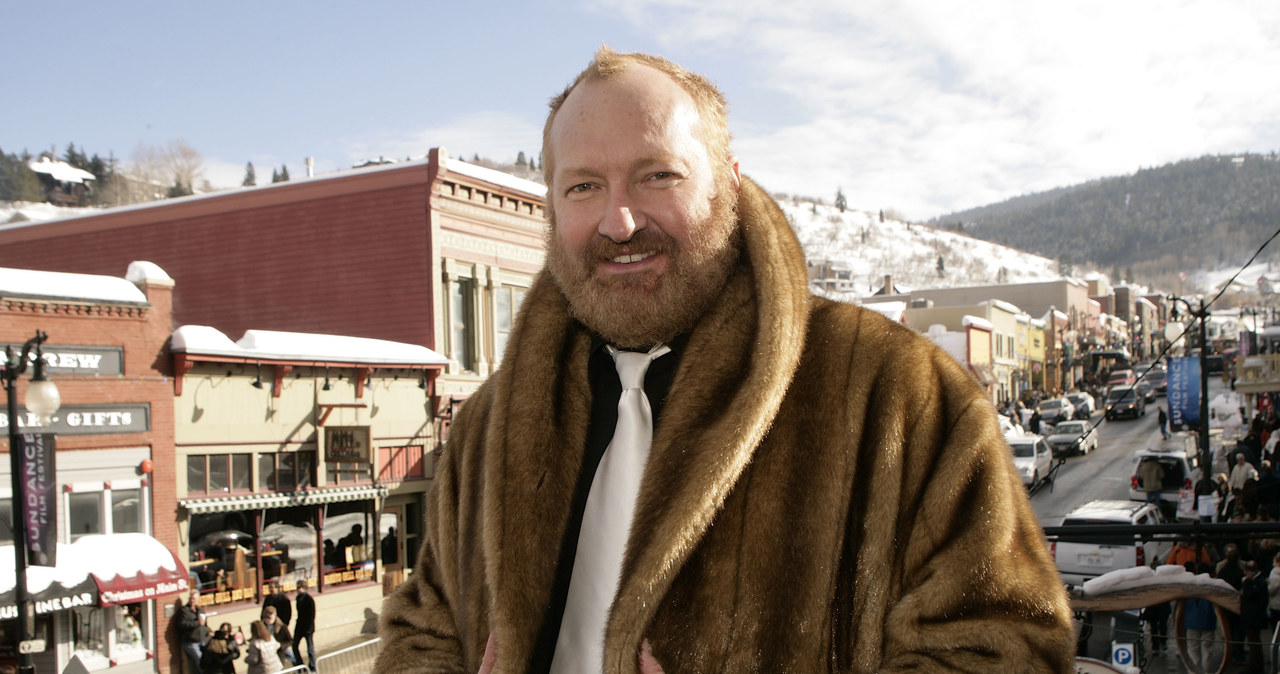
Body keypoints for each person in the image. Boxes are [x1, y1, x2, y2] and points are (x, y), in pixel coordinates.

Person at [375, 46, 1075, 672]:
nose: (619, 221)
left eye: (657, 175)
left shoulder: (897, 394)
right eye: (584, 186)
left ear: (730, 186)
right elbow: (422, 627)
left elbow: (1006, 647)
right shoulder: (490, 429)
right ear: (554, 210)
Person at [175, 590, 210, 673]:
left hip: (202, 639)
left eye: (194, 599)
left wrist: (208, 631)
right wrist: (198, 622)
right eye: (191, 598)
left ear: (198, 599)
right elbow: (182, 624)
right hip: (191, 641)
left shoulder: (200, 609)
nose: (192, 600)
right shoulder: (184, 610)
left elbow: (205, 623)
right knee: (200, 660)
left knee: (206, 660)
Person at [293, 578, 317, 671]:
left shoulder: (309, 599)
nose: (298, 589)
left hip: (307, 628)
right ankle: (300, 665)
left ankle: (312, 666)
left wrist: (309, 628)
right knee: (294, 646)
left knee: (310, 648)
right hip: (299, 626)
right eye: (297, 587)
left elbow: (311, 615)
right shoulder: (298, 598)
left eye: (300, 587)